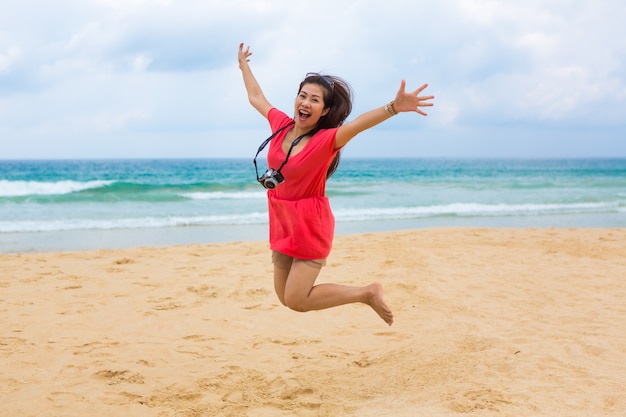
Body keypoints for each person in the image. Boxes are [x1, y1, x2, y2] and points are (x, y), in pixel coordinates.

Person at [238, 42, 434, 326]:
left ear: (324, 109)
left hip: (308, 222)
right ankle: (365, 294)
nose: (305, 103)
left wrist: (394, 107)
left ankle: (366, 293)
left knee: (296, 299)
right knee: (285, 297)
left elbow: (359, 124)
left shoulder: (326, 141)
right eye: (302, 96)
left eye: (314, 100)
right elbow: (256, 97)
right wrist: (244, 64)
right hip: (281, 218)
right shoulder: (280, 124)